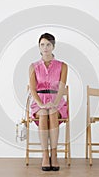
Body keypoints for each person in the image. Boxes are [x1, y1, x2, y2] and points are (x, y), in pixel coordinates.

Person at [29, 33, 68, 171]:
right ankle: (45, 155)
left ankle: (54, 154)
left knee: (52, 112)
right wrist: (40, 103)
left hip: (57, 100)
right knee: (44, 114)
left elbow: (62, 87)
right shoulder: (33, 66)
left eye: (48, 45)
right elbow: (33, 89)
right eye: (42, 45)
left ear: (53, 46)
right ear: (39, 47)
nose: (45, 48)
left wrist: (55, 102)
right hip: (38, 102)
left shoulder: (62, 66)